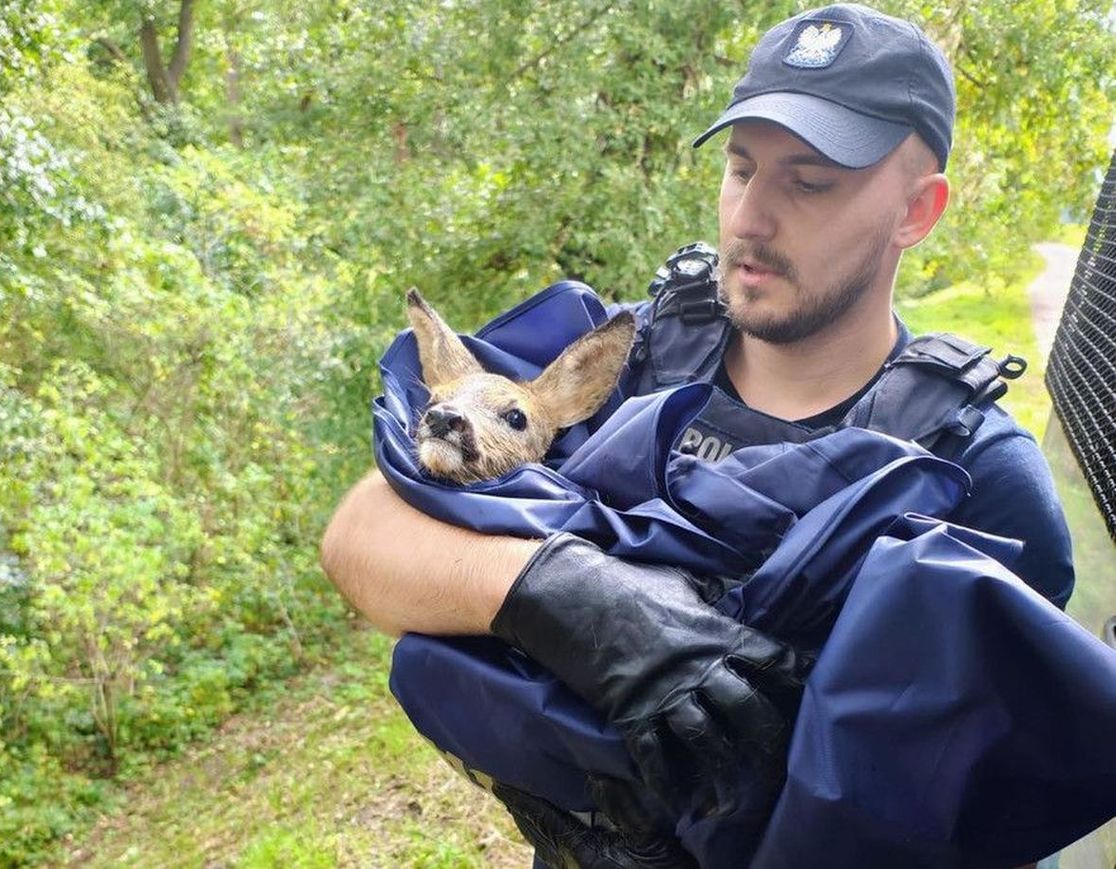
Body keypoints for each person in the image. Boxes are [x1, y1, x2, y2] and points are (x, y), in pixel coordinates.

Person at [321, 4, 1074, 866]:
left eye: (811, 180)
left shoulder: (977, 474)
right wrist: (566, 598)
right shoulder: (628, 356)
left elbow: (986, 808)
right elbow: (358, 537)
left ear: (917, 210)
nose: (751, 216)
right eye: (740, 167)